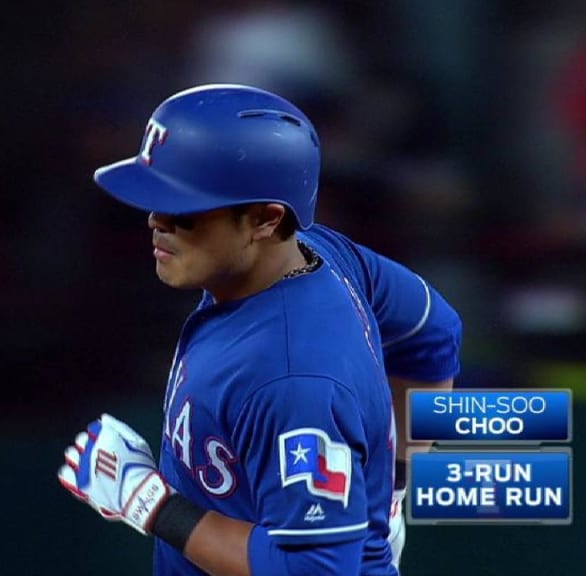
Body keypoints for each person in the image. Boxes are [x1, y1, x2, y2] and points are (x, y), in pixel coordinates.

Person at [57, 84, 461, 576]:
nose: (156, 221)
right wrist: (392, 488)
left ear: (265, 220)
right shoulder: (317, 253)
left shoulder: (294, 379)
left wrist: (149, 501)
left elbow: (313, 572)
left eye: (184, 208)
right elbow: (434, 330)